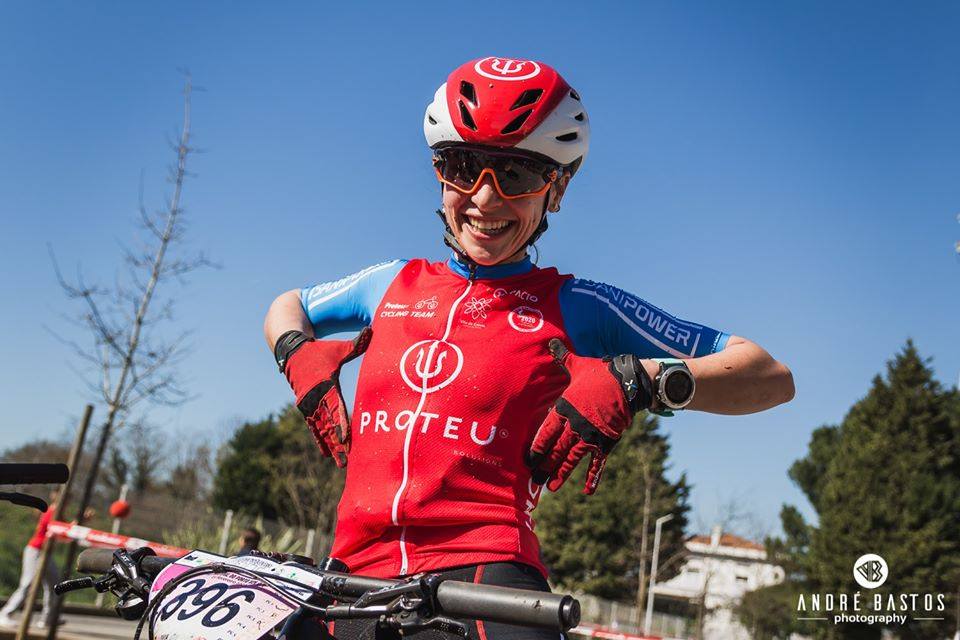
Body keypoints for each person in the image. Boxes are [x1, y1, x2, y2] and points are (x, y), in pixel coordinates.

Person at [264, 56, 794, 639]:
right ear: (440, 175)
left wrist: (641, 379)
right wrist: (295, 351)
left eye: (515, 176)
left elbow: (768, 375)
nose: (485, 200)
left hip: (483, 570)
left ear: (557, 189)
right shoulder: (390, 282)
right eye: (464, 168)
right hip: (352, 572)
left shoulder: (581, 305)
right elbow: (287, 303)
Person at [0, 491, 61, 628]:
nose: (69, 500)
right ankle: (5, 614)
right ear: (55, 495)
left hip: (47, 553)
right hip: (36, 551)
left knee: (54, 585)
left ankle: (48, 619)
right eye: (66, 496)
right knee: (28, 583)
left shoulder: (59, 512)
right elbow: (58, 529)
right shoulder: (51, 511)